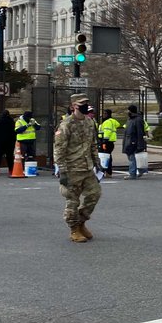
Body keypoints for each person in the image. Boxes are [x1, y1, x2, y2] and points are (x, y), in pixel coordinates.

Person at [54, 93, 102, 243]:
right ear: (73, 106)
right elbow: (59, 149)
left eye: (86, 102)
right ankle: (74, 229)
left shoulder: (89, 122)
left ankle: (81, 222)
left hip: (87, 167)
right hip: (72, 169)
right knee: (72, 201)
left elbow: (93, 144)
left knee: (94, 195)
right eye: (81, 103)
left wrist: (97, 162)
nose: (84, 105)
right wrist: (62, 170)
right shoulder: (66, 125)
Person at [122, 104, 148, 180]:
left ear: (131, 111)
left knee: (132, 158)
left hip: (133, 141)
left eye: (128, 110)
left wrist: (140, 144)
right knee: (132, 157)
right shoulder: (130, 119)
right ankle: (141, 170)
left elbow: (140, 132)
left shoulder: (137, 120)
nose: (127, 112)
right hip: (129, 141)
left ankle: (132, 173)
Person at [98, 109, 122, 177]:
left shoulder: (107, 122)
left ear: (108, 114)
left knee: (104, 157)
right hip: (110, 142)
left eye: (105, 113)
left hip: (106, 141)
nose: (103, 115)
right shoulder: (112, 121)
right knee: (107, 157)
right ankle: (108, 172)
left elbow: (107, 132)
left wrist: (104, 141)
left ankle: (105, 172)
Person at [0, 109, 15, 175]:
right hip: (10, 142)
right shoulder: (11, 122)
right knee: (10, 156)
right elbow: (14, 132)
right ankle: (11, 169)